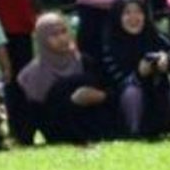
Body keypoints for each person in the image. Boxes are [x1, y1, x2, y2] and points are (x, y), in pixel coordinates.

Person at [101, 0, 170, 139]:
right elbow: (114, 82)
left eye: (138, 12)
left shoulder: (161, 39)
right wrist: (139, 74)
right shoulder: (111, 46)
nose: (134, 18)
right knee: (131, 93)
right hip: (128, 106)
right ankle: (133, 134)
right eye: (127, 13)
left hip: (161, 102)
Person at [14, 12, 113, 145]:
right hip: (58, 133)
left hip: (93, 129)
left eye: (64, 32)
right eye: (54, 35)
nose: (62, 38)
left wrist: (99, 96)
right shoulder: (30, 75)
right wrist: (69, 102)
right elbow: (30, 121)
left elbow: (110, 95)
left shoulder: (84, 62)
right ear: (42, 39)